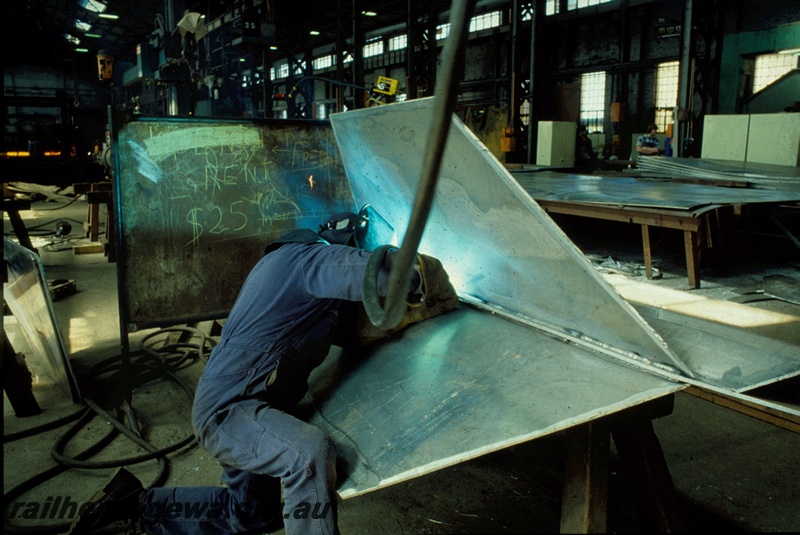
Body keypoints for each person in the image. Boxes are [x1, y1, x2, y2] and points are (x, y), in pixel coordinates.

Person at [69, 211, 459, 535]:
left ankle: (133, 504)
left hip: (250, 409)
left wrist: (414, 316)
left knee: (251, 514)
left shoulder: (305, 288)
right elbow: (390, 272)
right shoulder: (306, 259)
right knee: (307, 455)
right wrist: (439, 286)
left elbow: (362, 330)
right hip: (229, 410)